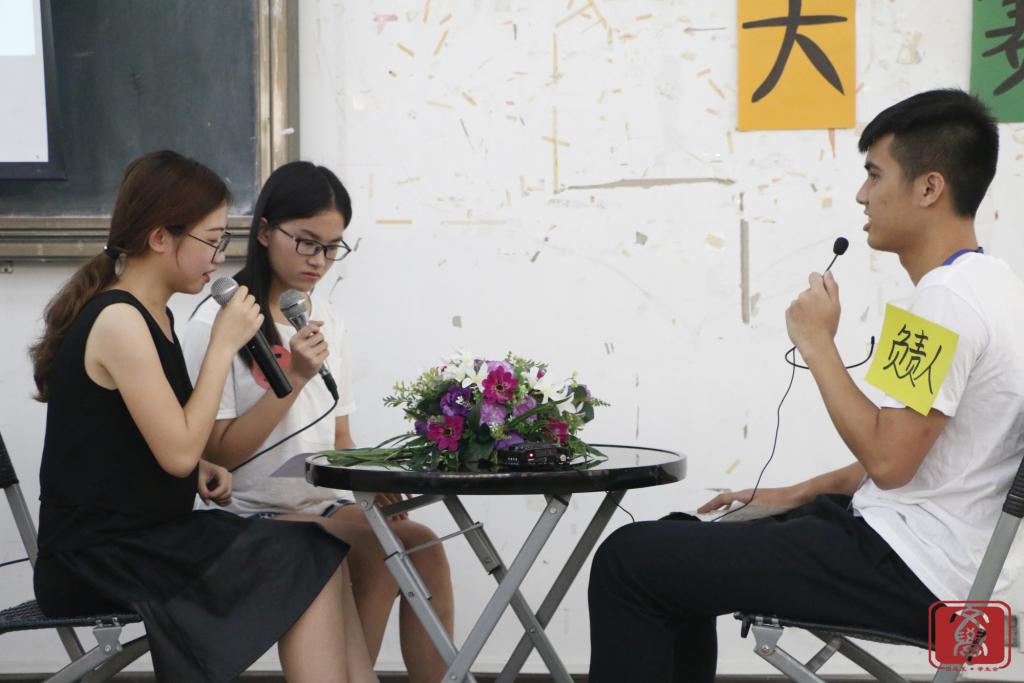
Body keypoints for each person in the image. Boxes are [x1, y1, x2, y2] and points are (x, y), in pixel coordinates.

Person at [588, 89, 1024, 682]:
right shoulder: (993, 286)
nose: (862, 195)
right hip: (927, 553)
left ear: (929, 188)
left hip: (915, 569)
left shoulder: (943, 304)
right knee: (675, 543)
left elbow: (889, 462)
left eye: (874, 175)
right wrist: (793, 494)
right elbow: (922, 454)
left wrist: (817, 342)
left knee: (629, 562)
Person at [31, 150, 377, 683]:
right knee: (304, 553)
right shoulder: (120, 320)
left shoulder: (154, 316)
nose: (220, 255)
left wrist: (199, 468)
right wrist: (222, 346)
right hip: (95, 558)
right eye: (212, 239)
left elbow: (139, 443)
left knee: (318, 549)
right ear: (159, 237)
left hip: (143, 538)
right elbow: (176, 452)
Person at [182, 161, 454, 682]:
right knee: (374, 550)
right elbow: (216, 454)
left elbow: (339, 435)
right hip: (243, 514)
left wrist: (372, 483)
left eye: (332, 247)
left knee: (421, 548)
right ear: (265, 231)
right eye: (307, 243)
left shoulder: (325, 316)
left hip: (321, 504)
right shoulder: (217, 323)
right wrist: (295, 378)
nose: (319, 261)